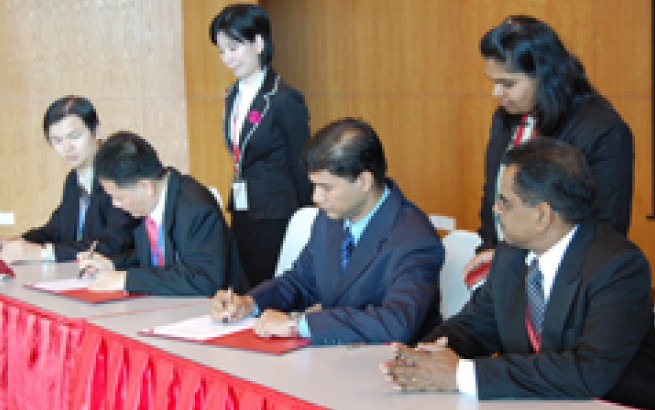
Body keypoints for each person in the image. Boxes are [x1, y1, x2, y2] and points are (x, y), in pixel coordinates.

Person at [380, 139, 655, 410]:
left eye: (505, 202)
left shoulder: (617, 267)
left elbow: (589, 372)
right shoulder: (511, 256)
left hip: (621, 403)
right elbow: (475, 328)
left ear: (542, 215)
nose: (496, 210)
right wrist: (423, 356)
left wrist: (462, 375)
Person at [210, 118, 443, 345]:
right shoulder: (330, 218)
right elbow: (301, 282)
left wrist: (298, 325)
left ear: (363, 181)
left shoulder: (415, 238)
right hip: (335, 360)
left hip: (390, 368)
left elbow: (395, 323)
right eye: (314, 185)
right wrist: (250, 303)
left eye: (326, 187)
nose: (316, 198)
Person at [464, 15, 634, 281]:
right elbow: (495, 196)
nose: (496, 93)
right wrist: (490, 249)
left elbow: (606, 227)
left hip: (569, 282)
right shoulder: (505, 119)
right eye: (493, 82)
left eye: (508, 84)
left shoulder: (601, 129)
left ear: (544, 75)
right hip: (507, 275)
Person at [209, 3, 313, 288]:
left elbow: (301, 162)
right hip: (243, 209)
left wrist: (306, 219)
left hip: (276, 213)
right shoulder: (232, 95)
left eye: (234, 47)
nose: (227, 58)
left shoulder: (283, 98)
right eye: (221, 51)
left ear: (258, 43)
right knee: (244, 285)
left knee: (268, 288)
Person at [77, 131, 247, 296]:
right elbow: (153, 257)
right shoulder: (152, 201)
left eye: (118, 197)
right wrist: (113, 265)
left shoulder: (195, 208)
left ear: (145, 187)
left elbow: (204, 279)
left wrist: (127, 279)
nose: (115, 204)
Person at [0, 95, 138, 264]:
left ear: (96, 131)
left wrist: (42, 253)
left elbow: (114, 244)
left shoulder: (119, 174)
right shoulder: (73, 179)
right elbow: (56, 231)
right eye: (57, 140)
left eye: (74, 136)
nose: (67, 147)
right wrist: (16, 243)